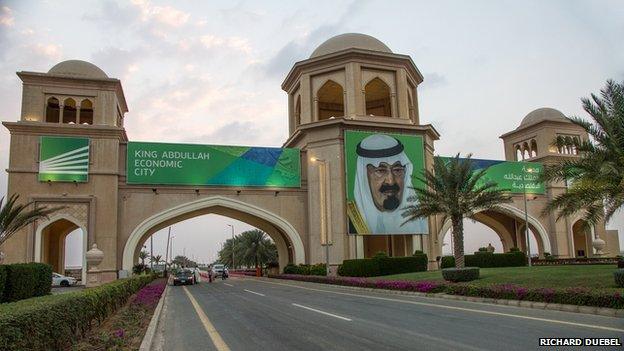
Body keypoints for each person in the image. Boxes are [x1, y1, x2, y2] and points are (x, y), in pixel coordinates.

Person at [348, 134, 427, 234]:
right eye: (380, 171)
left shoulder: (419, 221)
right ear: (364, 176)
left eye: (397, 170)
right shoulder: (350, 223)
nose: (390, 181)